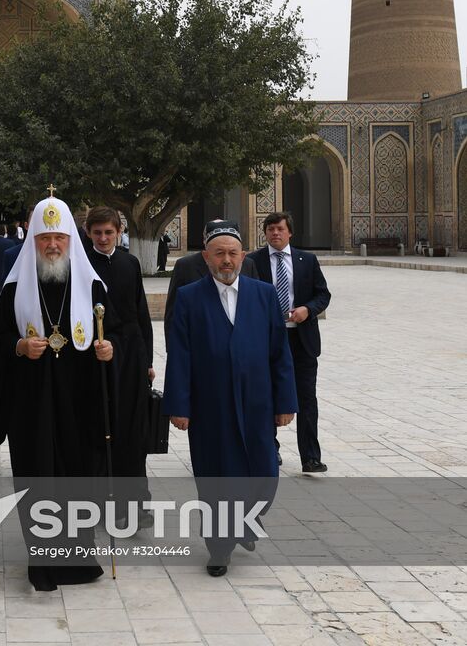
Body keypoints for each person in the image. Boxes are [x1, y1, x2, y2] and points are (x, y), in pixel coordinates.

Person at [0, 194, 116, 592]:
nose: (53, 245)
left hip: (79, 401)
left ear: (71, 240)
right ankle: (42, 561)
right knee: (38, 477)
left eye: (59, 237)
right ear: (33, 242)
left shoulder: (92, 285)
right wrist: (19, 347)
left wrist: (111, 350)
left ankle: (79, 558)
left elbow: (116, 334)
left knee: (79, 478)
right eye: (45, 239)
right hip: (32, 402)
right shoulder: (14, 288)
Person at [163, 222, 297, 576]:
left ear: (243, 256)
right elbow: (180, 353)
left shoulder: (264, 294)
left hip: (257, 402)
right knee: (215, 479)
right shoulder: (191, 297)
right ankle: (219, 548)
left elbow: (279, 352)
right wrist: (179, 405)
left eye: (232, 253)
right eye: (219, 253)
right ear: (206, 257)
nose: (226, 260)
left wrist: (286, 402)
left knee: (265, 474)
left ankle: (246, 522)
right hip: (211, 405)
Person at [85, 206, 153, 523]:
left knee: (131, 430)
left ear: (118, 232)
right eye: (97, 233)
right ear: (88, 233)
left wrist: (147, 360)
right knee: (99, 427)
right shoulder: (81, 265)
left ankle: (136, 503)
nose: (102, 238)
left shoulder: (130, 262)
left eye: (108, 232)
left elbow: (140, 315)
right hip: (96, 356)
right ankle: (99, 502)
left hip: (130, 355)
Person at [249, 211, 331, 473]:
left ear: (290, 232)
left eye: (280, 229)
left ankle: (310, 456)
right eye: (270, 229)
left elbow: (323, 294)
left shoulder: (306, 260)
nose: (275, 233)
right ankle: (270, 450)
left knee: (306, 398)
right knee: (267, 394)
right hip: (269, 339)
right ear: (265, 233)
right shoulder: (254, 261)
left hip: (302, 338)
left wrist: (308, 309)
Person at [164, 219, 259, 348]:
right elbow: (173, 313)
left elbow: (255, 305)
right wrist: (173, 350)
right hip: (201, 346)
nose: (227, 260)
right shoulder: (186, 265)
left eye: (232, 252)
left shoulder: (248, 264)